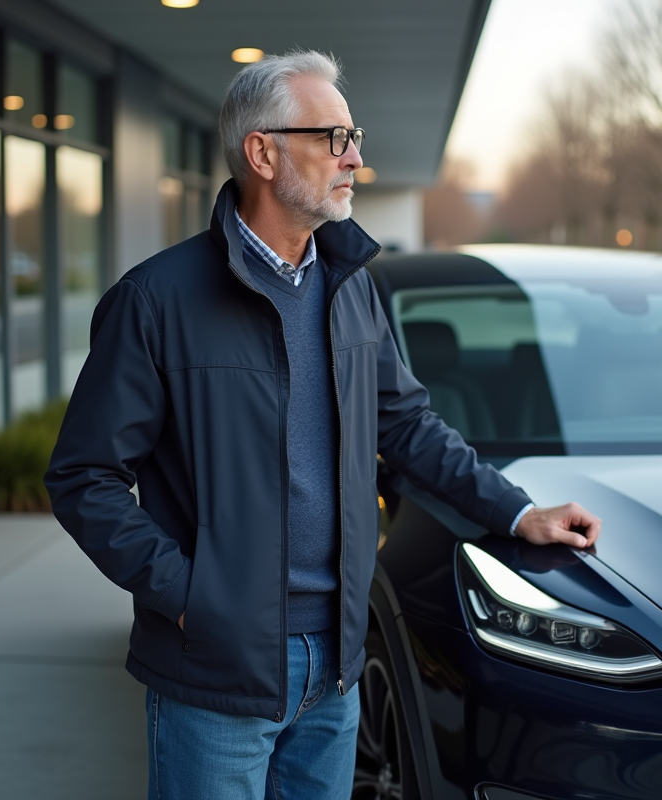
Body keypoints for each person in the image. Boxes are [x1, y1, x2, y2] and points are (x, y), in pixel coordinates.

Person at [45, 50, 601, 800]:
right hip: (215, 668)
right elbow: (84, 478)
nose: (357, 159)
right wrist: (186, 593)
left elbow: (406, 428)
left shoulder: (351, 291)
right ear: (262, 152)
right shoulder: (155, 302)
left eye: (356, 137)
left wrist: (518, 512)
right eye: (335, 139)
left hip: (336, 667)